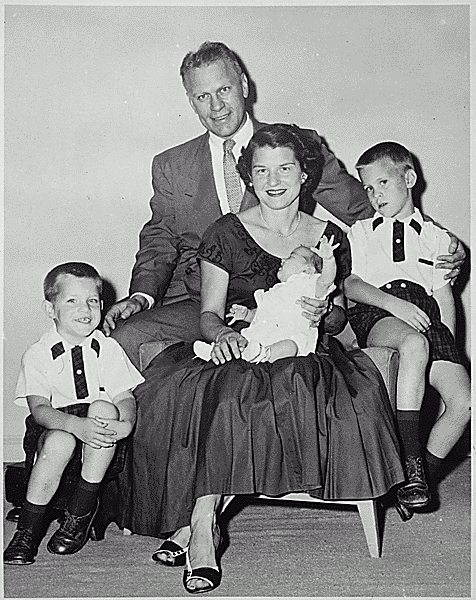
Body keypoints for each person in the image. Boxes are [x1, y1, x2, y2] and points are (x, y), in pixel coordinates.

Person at [117, 124, 405, 594]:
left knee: (276, 389)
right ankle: (206, 523)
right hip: (243, 346)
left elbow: (338, 323)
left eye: (285, 167)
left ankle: (195, 526)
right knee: (224, 391)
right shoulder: (226, 231)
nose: (274, 179)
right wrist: (226, 333)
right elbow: (208, 315)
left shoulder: (329, 238)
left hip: (305, 355)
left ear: (305, 173)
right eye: (261, 169)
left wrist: (325, 308)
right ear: (248, 176)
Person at [102, 40, 466, 368]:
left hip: (287, 304)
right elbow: (160, 239)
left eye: (224, 89)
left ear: (244, 85)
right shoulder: (172, 164)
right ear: (191, 101)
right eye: (202, 96)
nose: (216, 106)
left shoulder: (297, 146)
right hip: (198, 302)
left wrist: (437, 244)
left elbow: (366, 208)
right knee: (122, 341)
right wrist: (141, 296)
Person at [344, 142, 471, 520]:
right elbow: (351, 283)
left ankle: (413, 483)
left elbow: (443, 298)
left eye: (383, 182)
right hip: (380, 312)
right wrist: (394, 305)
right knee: (413, 343)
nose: (375, 194)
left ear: (409, 178)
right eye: (368, 187)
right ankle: (411, 464)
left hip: (425, 316)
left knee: (465, 401)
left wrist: (449, 347)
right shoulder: (362, 231)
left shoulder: (437, 238)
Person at [3, 263, 144, 566]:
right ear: (50, 308)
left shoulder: (108, 348)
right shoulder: (38, 354)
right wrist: (72, 425)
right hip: (54, 428)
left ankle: (79, 515)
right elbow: (40, 410)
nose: (85, 309)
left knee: (106, 408)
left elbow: (125, 395)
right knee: (59, 442)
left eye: (92, 301)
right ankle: (28, 530)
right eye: (72, 301)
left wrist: (126, 425)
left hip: (98, 443)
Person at [194, 235, 338, 363]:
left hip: (290, 338)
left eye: (291, 257)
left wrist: (328, 259)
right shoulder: (275, 291)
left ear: (308, 270)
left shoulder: (309, 284)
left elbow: (327, 280)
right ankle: (220, 355)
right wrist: (246, 314)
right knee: (243, 340)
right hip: (263, 336)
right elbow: (263, 313)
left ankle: (265, 354)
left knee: (290, 346)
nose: (283, 259)